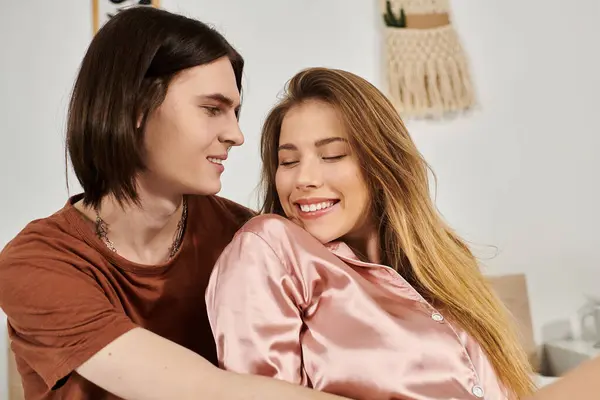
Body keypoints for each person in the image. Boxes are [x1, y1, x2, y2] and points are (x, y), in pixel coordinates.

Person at [0, 7, 347, 400]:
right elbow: (205, 392)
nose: (236, 134)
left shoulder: (249, 241)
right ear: (134, 108)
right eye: (212, 109)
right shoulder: (36, 263)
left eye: (235, 112)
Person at [206, 67, 537, 400]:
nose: (304, 178)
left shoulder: (446, 267)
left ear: (383, 162)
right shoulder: (269, 247)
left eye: (331, 155)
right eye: (288, 161)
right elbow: (258, 392)